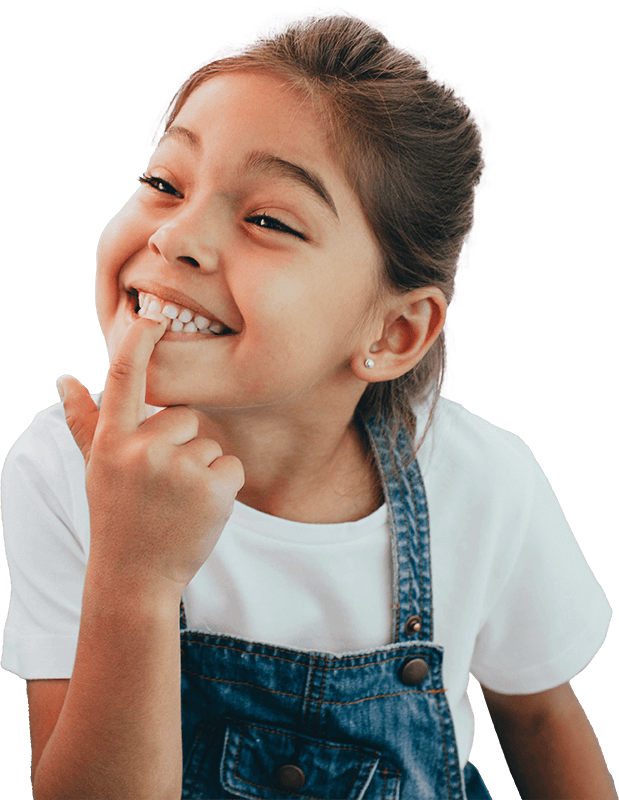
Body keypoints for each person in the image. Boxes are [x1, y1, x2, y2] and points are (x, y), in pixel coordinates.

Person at [1, 8, 614, 799]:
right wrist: (134, 575)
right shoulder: (62, 466)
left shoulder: (484, 480)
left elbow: (536, 718)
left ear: (393, 332)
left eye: (266, 218)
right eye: (163, 182)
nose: (177, 236)